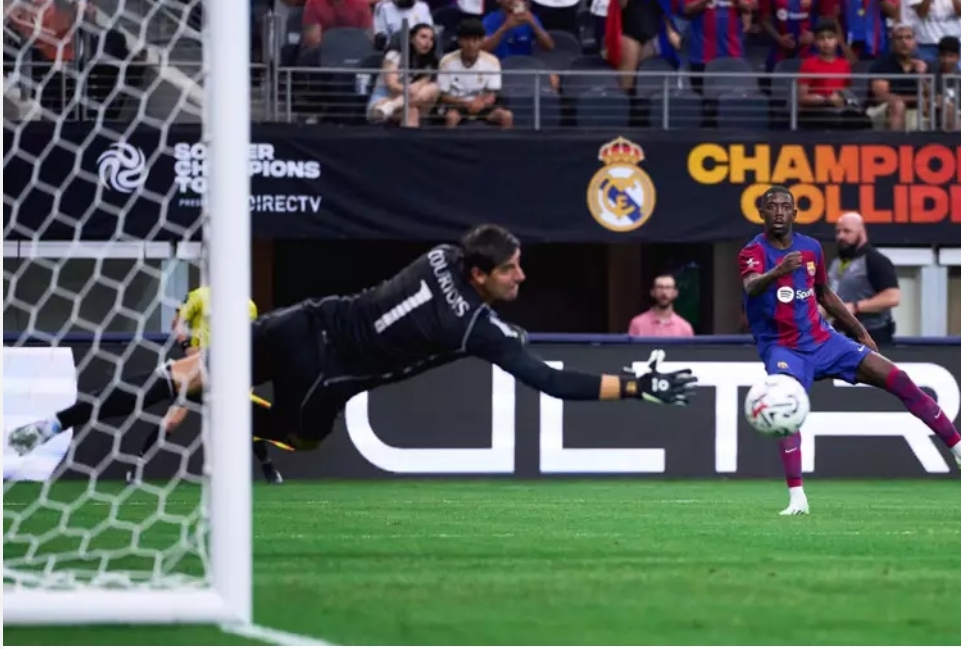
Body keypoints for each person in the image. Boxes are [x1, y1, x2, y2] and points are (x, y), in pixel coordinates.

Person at [9, 225, 698, 459]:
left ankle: (54, 422)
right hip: (326, 372)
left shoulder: (439, 255)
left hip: (299, 320)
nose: (523, 273)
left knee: (175, 377)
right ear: (483, 272)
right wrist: (637, 383)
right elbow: (550, 380)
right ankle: (216, 393)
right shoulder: (475, 326)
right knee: (305, 439)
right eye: (513, 267)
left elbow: (458, 284)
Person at [738, 186, 961, 516]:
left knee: (898, 378)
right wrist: (778, 271)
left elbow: (825, 295)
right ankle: (797, 497)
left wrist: (860, 331)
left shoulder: (810, 248)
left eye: (785, 206)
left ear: (794, 214)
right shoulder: (752, 251)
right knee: (786, 409)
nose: (779, 211)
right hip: (782, 347)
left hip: (824, 340)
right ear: (761, 213)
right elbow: (751, 286)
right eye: (772, 206)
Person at [125, 286, 285, 485]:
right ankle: (136, 467)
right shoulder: (199, 296)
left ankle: (269, 468)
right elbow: (178, 322)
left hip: (228, 374)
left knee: (246, 421)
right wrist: (186, 346)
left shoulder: (248, 306)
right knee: (173, 420)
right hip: (198, 372)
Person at [827, 212, 901, 346]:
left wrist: (856, 307)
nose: (841, 236)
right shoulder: (836, 263)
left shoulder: (875, 260)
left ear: (861, 232)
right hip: (841, 336)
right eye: (838, 232)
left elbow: (892, 297)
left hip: (872, 336)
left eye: (847, 231)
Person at [628, 274, 696, 337]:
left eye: (668, 287)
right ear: (652, 292)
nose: (664, 292)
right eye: (660, 287)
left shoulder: (685, 328)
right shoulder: (637, 324)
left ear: (675, 293)